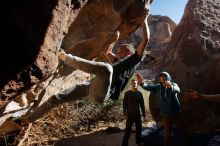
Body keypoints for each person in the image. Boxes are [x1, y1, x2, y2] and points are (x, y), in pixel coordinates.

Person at [15, 12, 150, 126]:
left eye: (121, 51)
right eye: (118, 51)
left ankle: (63, 56)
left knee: (107, 69)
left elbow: (146, 39)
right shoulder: (117, 62)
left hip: (103, 94)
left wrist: (145, 20)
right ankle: (26, 120)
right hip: (89, 87)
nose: (118, 52)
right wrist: (111, 41)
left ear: (129, 53)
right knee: (56, 98)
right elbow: (106, 52)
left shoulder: (134, 60)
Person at [136, 72, 181, 146]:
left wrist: (170, 87)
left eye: (165, 79)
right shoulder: (158, 87)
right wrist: (142, 82)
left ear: (168, 79)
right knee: (167, 131)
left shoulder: (173, 84)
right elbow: (148, 87)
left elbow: (178, 89)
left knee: (180, 129)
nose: (163, 81)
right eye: (162, 79)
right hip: (165, 113)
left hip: (175, 112)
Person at [122, 79, 147, 146]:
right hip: (129, 115)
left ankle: (138, 142)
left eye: (135, 83)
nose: (134, 84)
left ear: (137, 84)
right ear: (131, 84)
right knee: (127, 131)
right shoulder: (127, 93)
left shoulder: (139, 94)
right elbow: (124, 104)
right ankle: (124, 144)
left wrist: (144, 115)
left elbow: (142, 105)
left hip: (137, 115)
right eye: (132, 83)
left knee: (139, 129)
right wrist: (124, 114)